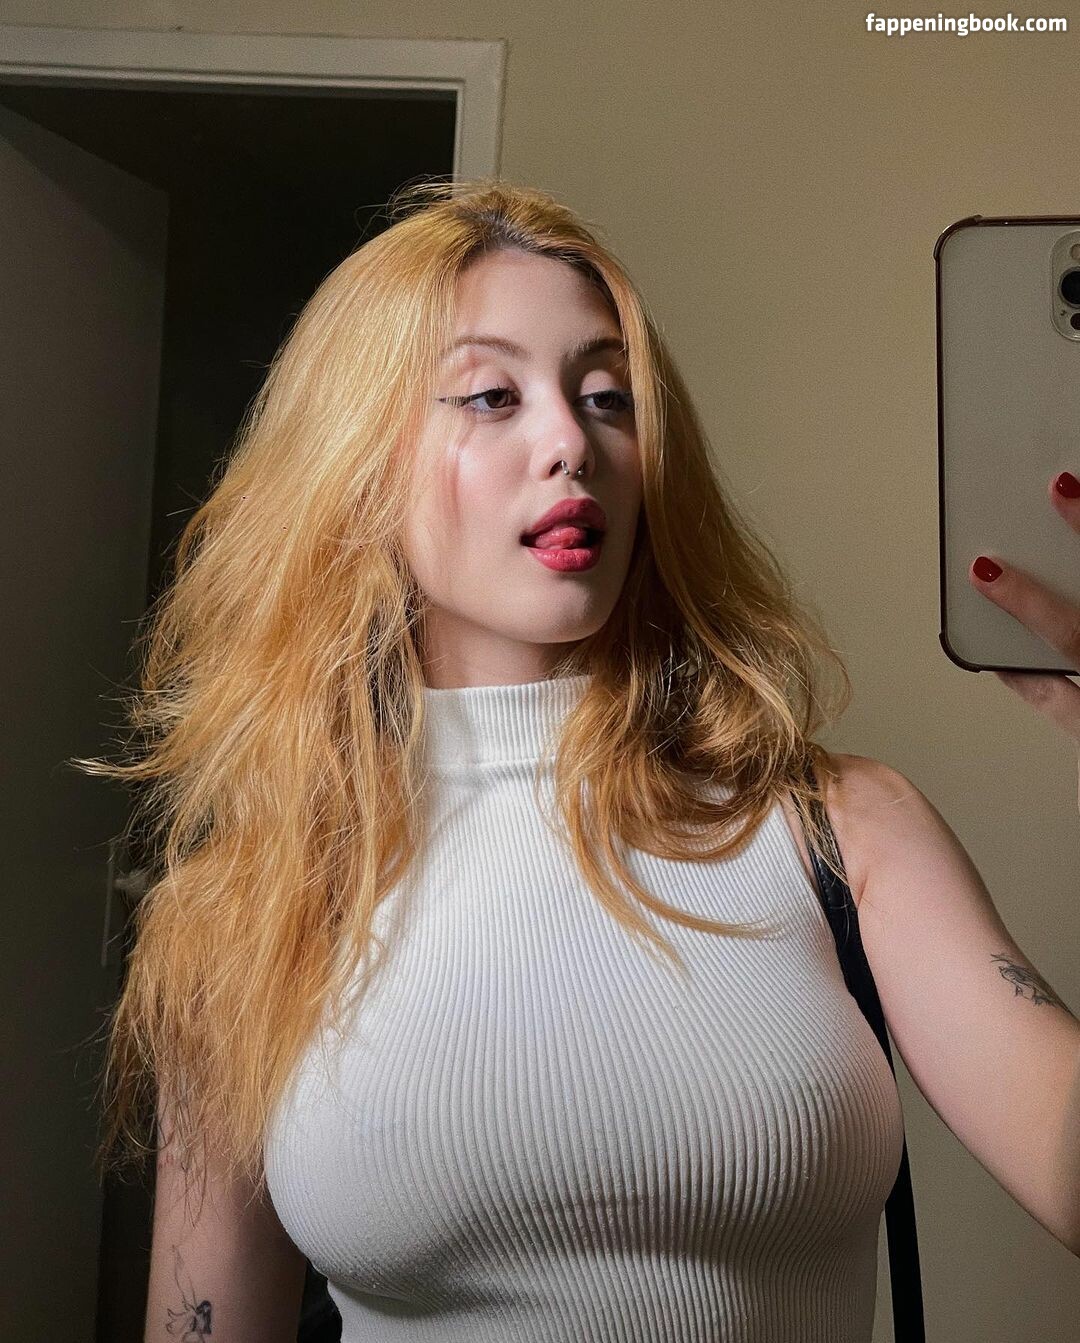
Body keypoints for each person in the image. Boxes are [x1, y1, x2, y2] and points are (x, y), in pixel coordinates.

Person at [71, 177, 1080, 1343]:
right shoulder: (246, 908)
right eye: (491, 396)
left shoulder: (841, 828)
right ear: (358, 466)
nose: (571, 442)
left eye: (607, 397)